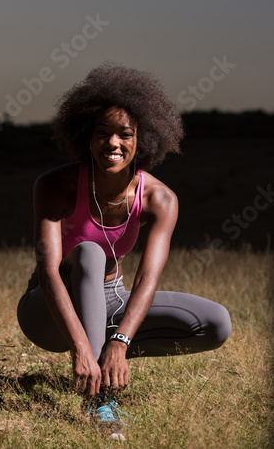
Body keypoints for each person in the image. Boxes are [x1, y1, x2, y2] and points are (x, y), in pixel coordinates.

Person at [17, 62, 232, 439]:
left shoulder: (160, 199)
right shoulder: (56, 185)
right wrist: (82, 347)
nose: (113, 143)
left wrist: (120, 341)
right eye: (102, 133)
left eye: (124, 134)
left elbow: (147, 277)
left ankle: (107, 357)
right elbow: (49, 271)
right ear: (86, 136)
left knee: (216, 323)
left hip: (112, 299)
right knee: (89, 253)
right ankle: (101, 404)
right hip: (48, 310)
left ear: (142, 139)